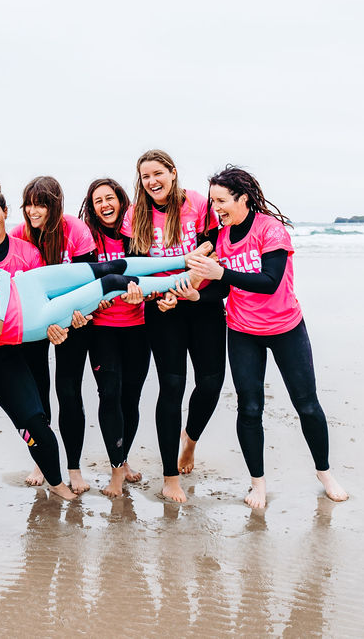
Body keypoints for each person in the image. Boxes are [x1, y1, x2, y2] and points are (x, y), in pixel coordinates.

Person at [0, 247, 211, 499]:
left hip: (27, 285)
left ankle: (185, 261)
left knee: (106, 266)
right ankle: (184, 281)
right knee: (111, 283)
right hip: (32, 320)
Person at [186, 166, 349, 508]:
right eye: (213, 200)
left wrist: (221, 271)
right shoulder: (221, 235)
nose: (216, 208)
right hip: (243, 331)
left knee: (306, 405)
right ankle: (257, 484)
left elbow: (269, 281)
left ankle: (325, 473)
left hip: (286, 328)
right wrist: (198, 295)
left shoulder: (270, 230)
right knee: (250, 408)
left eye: (221, 200)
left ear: (242, 198)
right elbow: (222, 287)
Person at [123, 149, 226, 503]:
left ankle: (190, 441)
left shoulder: (196, 203)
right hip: (161, 309)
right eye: (145, 176)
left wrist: (188, 288)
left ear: (173, 172)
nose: (152, 182)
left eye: (157, 174)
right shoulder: (135, 214)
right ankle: (169, 477)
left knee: (211, 383)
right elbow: (133, 266)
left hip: (201, 303)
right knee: (172, 389)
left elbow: (212, 249)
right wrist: (156, 296)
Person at [0, 179, 68, 487]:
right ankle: (39, 464)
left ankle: (42, 464)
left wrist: (56, 326)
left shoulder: (27, 253)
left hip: (28, 339)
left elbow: (42, 297)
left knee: (39, 399)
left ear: (5, 212)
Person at [11, 176, 97, 492]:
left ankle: (73, 468)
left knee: (69, 391)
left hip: (73, 319)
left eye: (41, 204)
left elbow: (90, 282)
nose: (33, 211)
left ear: (55, 205)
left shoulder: (75, 230)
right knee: (37, 393)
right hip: (35, 321)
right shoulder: (20, 234)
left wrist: (79, 318)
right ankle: (42, 461)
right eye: (29, 204)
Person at [78, 178, 150, 497]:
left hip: (138, 329)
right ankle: (116, 472)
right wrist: (94, 301)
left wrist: (142, 295)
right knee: (109, 395)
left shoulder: (136, 236)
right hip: (103, 331)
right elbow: (79, 285)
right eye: (98, 201)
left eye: (110, 198)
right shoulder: (88, 241)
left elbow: (150, 279)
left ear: (121, 201)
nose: (105, 205)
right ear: (92, 208)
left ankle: (122, 461)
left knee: (130, 399)